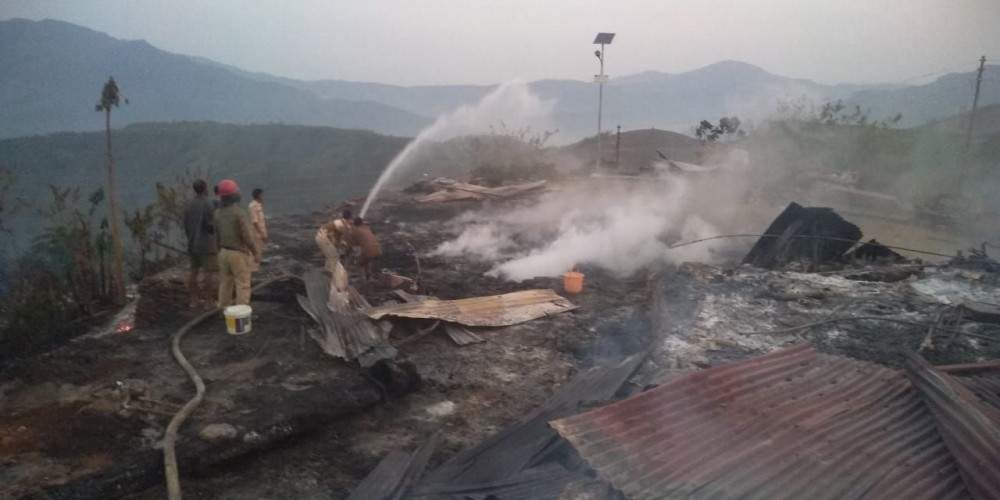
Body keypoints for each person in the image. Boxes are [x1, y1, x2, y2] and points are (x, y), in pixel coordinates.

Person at [214, 179, 260, 308]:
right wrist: (255, 252)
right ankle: (241, 317)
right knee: (243, 284)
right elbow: (247, 237)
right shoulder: (238, 213)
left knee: (225, 283)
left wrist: (219, 252)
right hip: (238, 254)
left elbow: (216, 235)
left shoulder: (217, 213)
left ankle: (223, 310)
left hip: (223, 253)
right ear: (234, 195)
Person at [182, 179, 219, 309]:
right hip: (206, 243)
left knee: (193, 271)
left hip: (192, 243)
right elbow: (210, 225)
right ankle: (209, 302)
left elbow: (186, 225)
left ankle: (194, 300)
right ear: (205, 188)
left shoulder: (188, 204)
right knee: (209, 272)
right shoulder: (208, 204)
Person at [315, 208, 354, 310]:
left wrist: (342, 243)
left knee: (332, 255)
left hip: (321, 236)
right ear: (349, 218)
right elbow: (344, 237)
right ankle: (331, 271)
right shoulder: (342, 225)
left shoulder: (340, 222)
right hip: (322, 238)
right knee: (333, 256)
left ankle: (329, 269)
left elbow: (339, 238)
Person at [248, 188, 267, 271]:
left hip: (260, 234)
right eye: (262, 195)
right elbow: (255, 222)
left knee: (259, 252)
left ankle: (255, 268)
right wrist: (261, 234)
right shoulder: (253, 206)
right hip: (256, 235)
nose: (263, 197)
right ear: (258, 196)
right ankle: (252, 270)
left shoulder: (259, 205)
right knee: (254, 253)